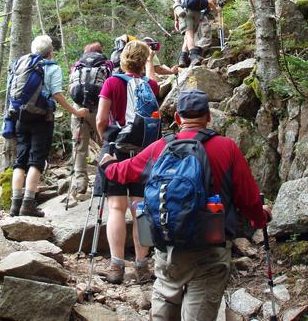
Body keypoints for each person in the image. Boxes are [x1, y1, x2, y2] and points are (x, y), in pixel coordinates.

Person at [100, 89, 272, 321]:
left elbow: (124, 171)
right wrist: (261, 218)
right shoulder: (226, 148)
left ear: (178, 119)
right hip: (210, 252)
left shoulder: (159, 148)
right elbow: (248, 199)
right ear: (208, 116)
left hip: (168, 250)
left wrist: (108, 165)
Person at [96, 40, 160, 284]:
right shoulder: (150, 85)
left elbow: (102, 119)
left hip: (115, 149)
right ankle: (142, 266)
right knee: (141, 208)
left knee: (116, 208)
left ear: (123, 58)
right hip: (145, 154)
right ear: (144, 61)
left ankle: (116, 266)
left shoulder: (112, 82)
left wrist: (106, 142)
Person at [10, 35, 89, 218]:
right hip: (42, 118)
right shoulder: (52, 68)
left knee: (20, 159)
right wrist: (76, 112)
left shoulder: (22, 64)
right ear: (50, 51)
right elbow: (57, 95)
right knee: (36, 159)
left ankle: (15, 204)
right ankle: (28, 204)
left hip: (20, 117)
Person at [70, 41, 112, 195]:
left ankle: (80, 183)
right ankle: (106, 179)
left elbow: (71, 85)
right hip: (99, 106)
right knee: (106, 142)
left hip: (78, 107)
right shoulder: (105, 64)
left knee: (80, 145)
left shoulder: (78, 64)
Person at [173, 0, 218, 67]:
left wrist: (176, 20)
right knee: (189, 36)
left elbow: (176, 4)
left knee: (189, 35)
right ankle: (183, 58)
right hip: (197, 13)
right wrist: (216, 9)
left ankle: (193, 57)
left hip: (186, 13)